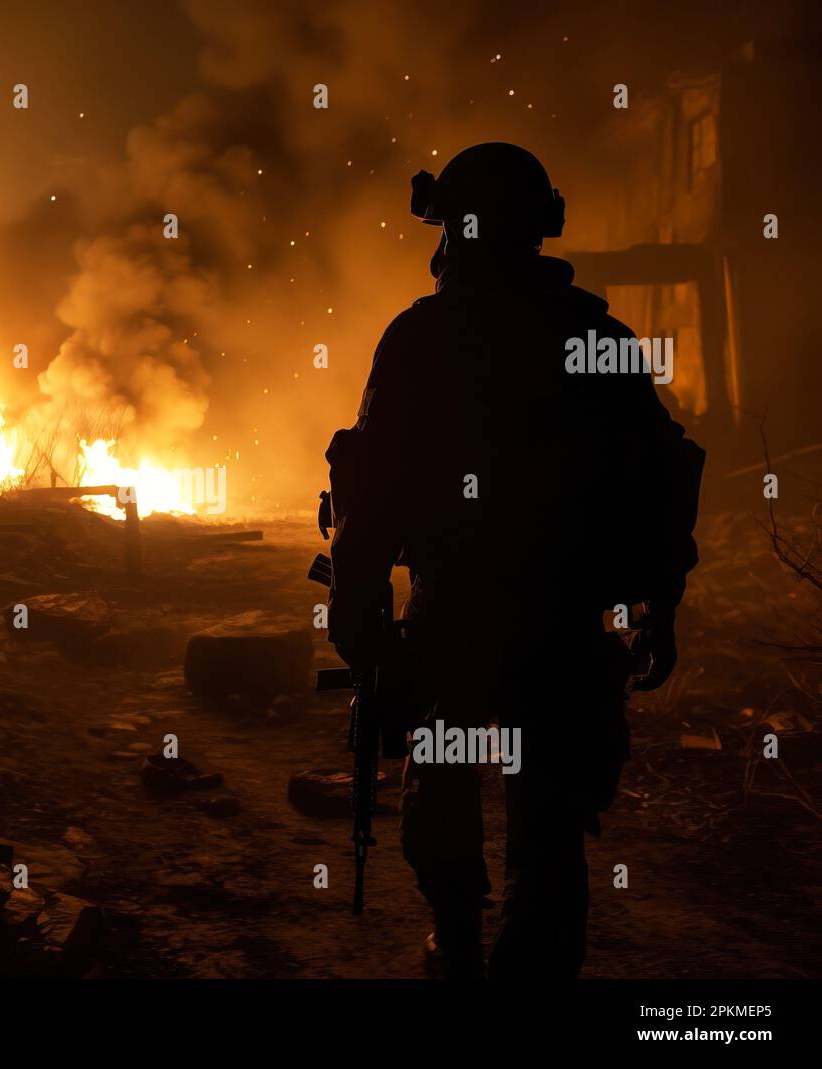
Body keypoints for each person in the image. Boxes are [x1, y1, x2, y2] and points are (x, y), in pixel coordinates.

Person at [324, 142, 703, 978]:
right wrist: (657, 608)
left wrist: (356, 605)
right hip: (565, 630)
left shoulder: (423, 340)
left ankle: (457, 939)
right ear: (541, 229)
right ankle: (528, 960)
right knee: (551, 814)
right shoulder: (596, 340)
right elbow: (660, 483)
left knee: (450, 785)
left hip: (456, 623)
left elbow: (371, 481)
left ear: (455, 232)